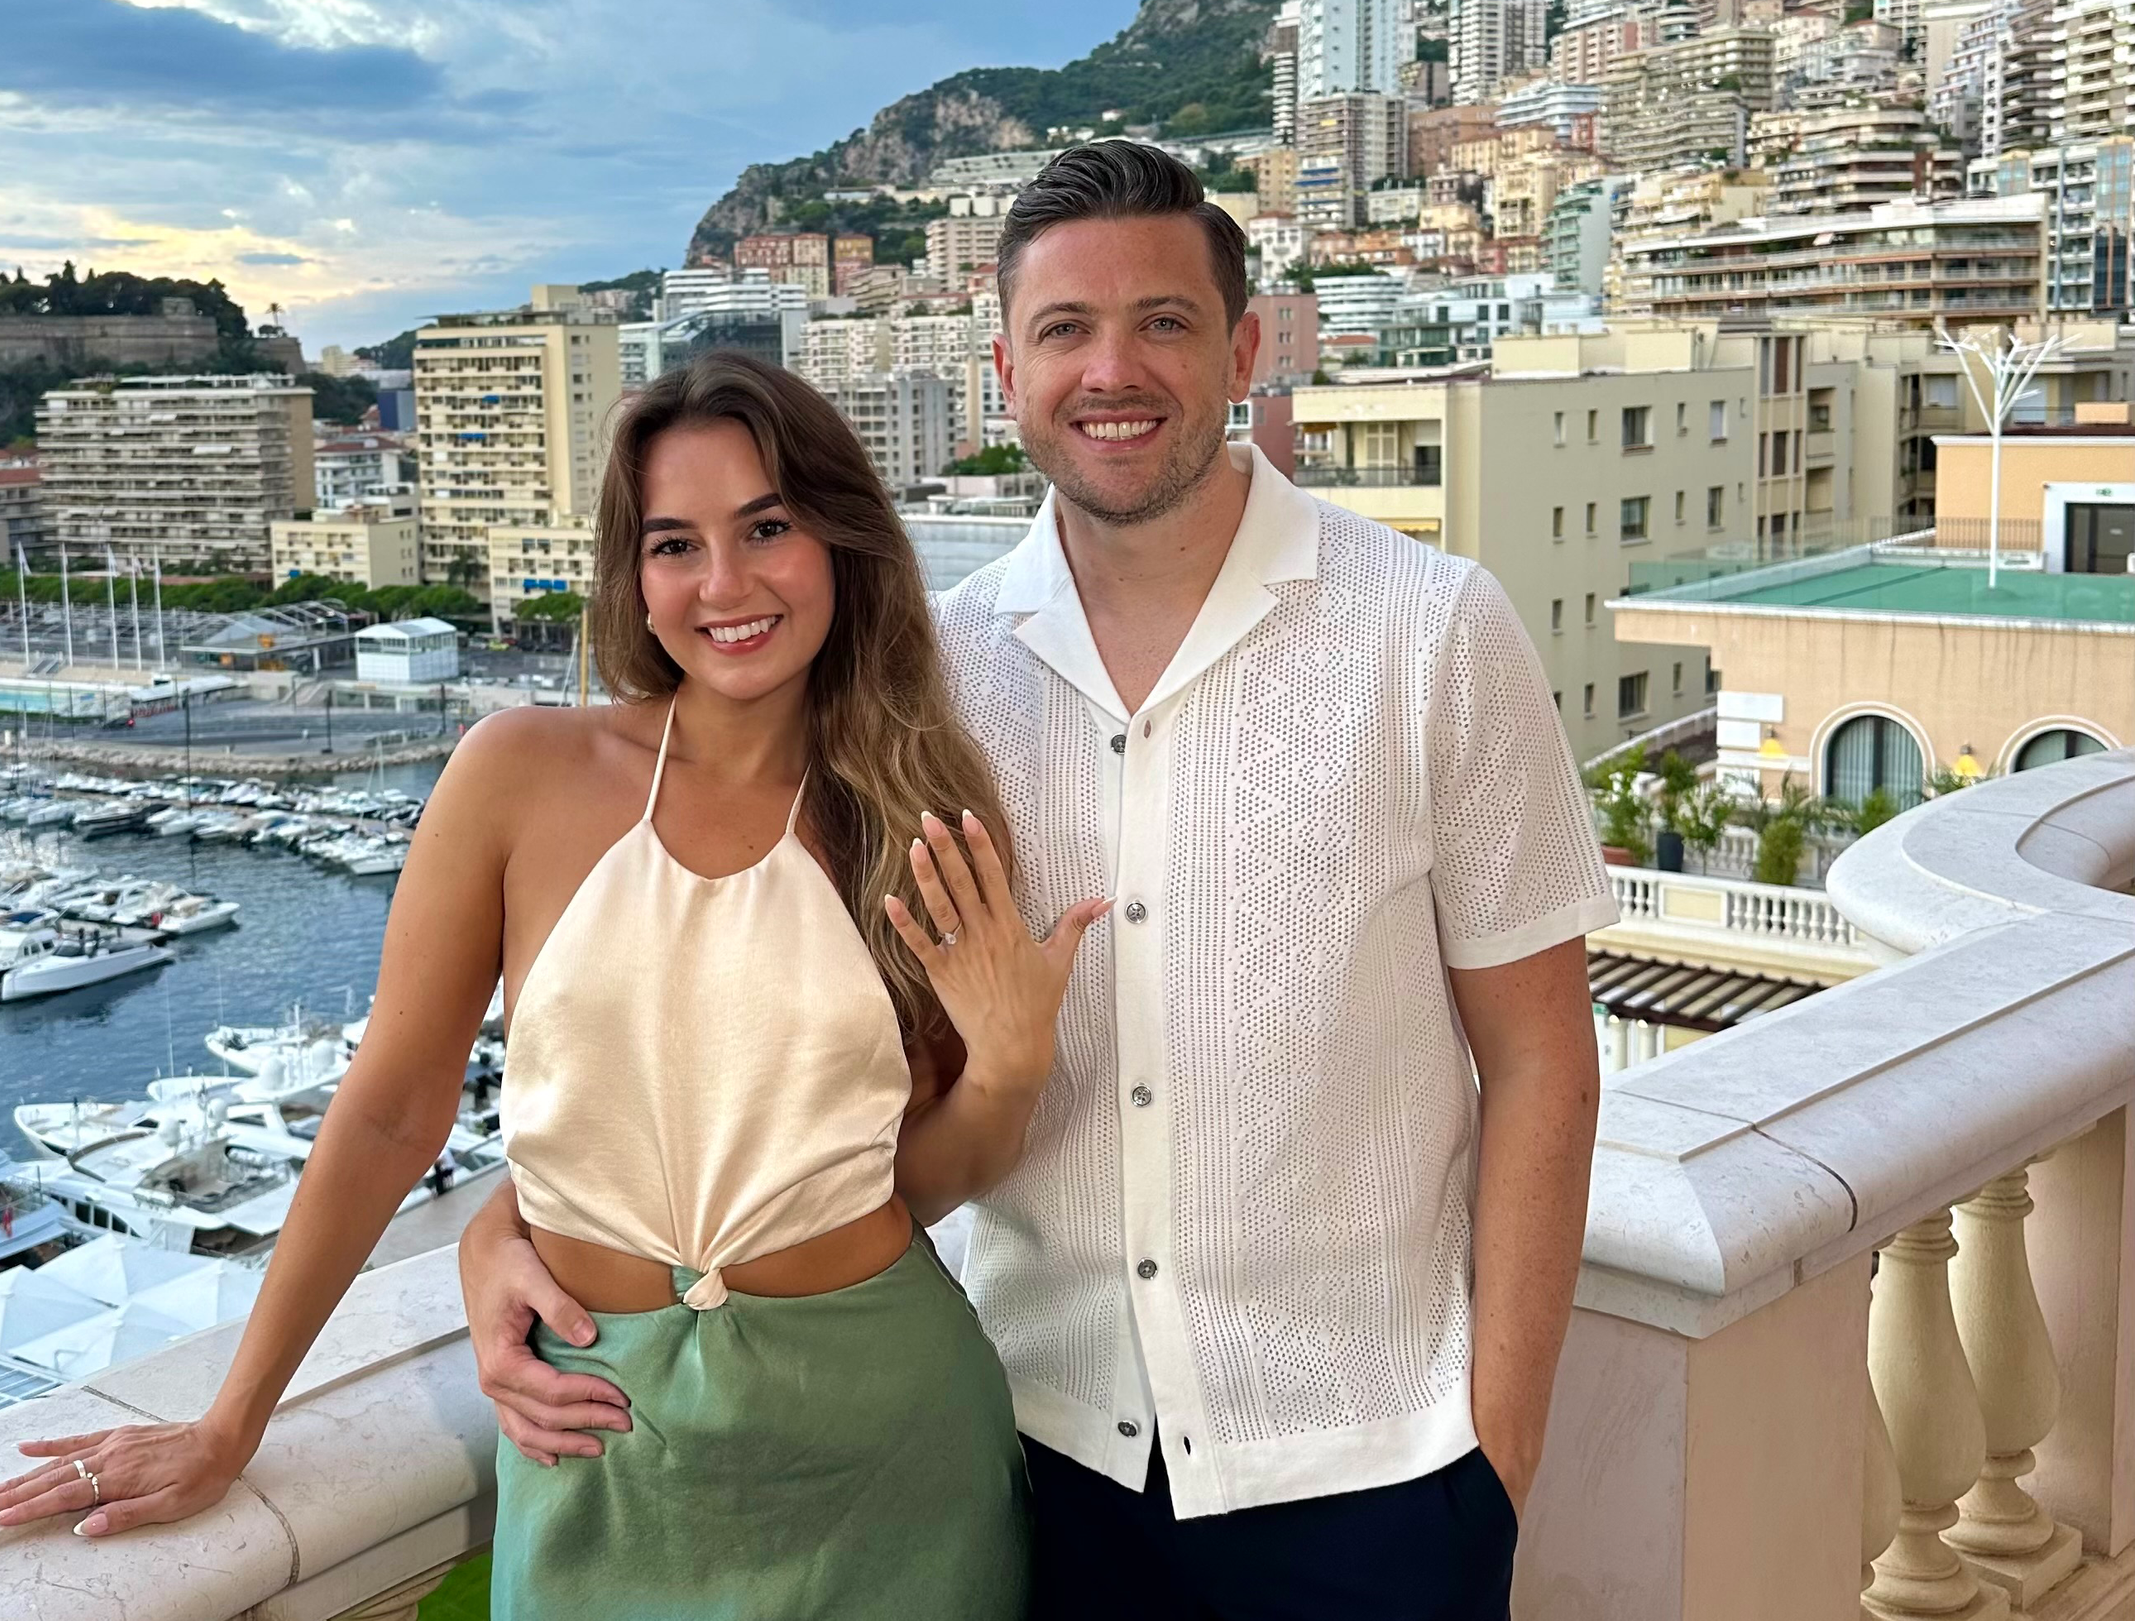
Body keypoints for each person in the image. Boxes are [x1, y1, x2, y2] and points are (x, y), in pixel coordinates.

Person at [466, 142, 1612, 1620]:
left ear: (1244, 351)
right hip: (1027, 1458)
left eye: (1164, 321)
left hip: (1373, 1467)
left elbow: (1542, 1056)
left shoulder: (1431, 631)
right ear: (1007, 371)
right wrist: (500, 1231)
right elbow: (726, 1048)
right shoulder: (920, 684)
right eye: (1066, 329)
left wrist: (1497, 1458)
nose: (1111, 371)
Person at [0, 352, 1104, 1621]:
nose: (724, 584)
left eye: (767, 528)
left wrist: (1008, 1071)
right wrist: (231, 1420)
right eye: (674, 544)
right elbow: (391, 1112)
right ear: (632, 574)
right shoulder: (519, 771)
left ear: (841, 542)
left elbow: (908, 1177)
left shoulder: (912, 813)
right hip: (598, 1438)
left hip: (886, 1442)